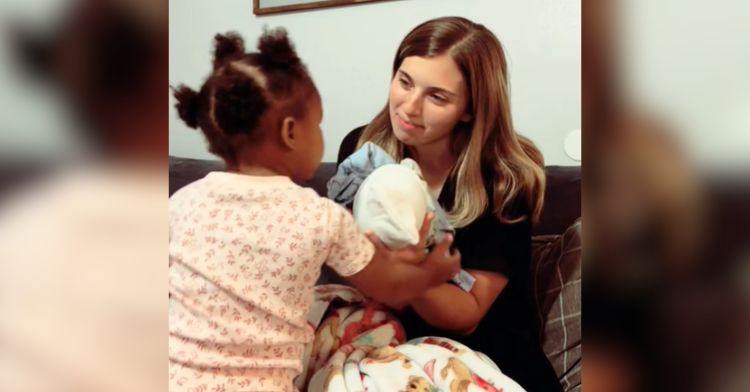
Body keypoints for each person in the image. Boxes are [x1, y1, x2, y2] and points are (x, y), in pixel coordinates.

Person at [168, 29, 460, 391]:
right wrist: (433, 270)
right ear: (291, 133)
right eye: (318, 125)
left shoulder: (180, 203)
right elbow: (395, 288)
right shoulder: (321, 217)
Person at [337, 16, 562, 391]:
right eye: (404, 82)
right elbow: (347, 258)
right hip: (386, 343)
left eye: (437, 96)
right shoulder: (364, 152)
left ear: (471, 109)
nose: (408, 107)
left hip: (484, 354)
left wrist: (408, 271)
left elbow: (468, 316)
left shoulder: (506, 179)